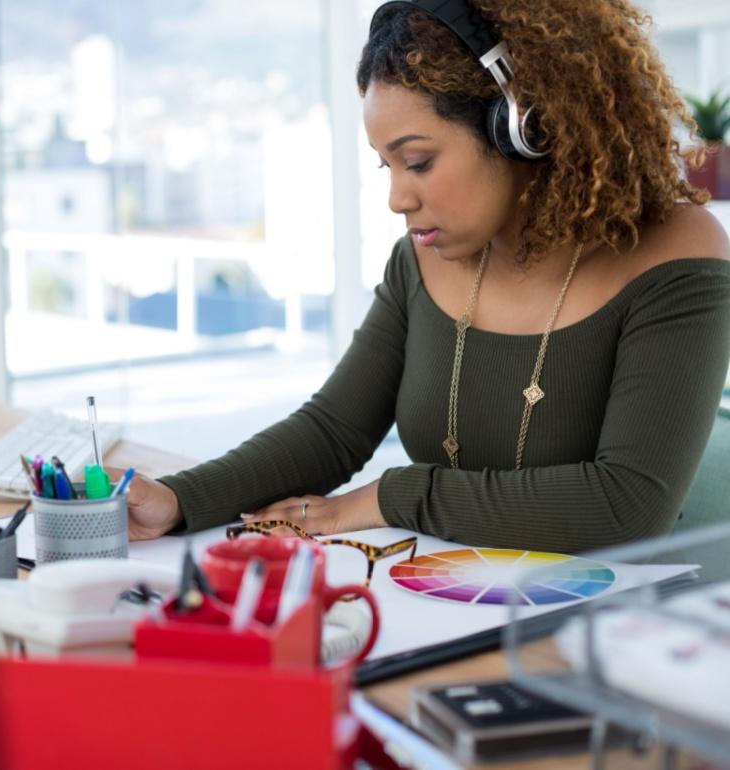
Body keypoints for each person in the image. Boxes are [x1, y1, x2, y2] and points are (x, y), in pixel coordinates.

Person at [124, 0, 730, 553]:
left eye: (418, 162)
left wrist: (390, 495)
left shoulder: (677, 253)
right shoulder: (423, 260)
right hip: (441, 599)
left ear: (523, 126)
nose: (396, 198)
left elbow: (627, 505)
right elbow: (333, 429)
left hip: (599, 630)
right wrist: (178, 501)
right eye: (386, 165)